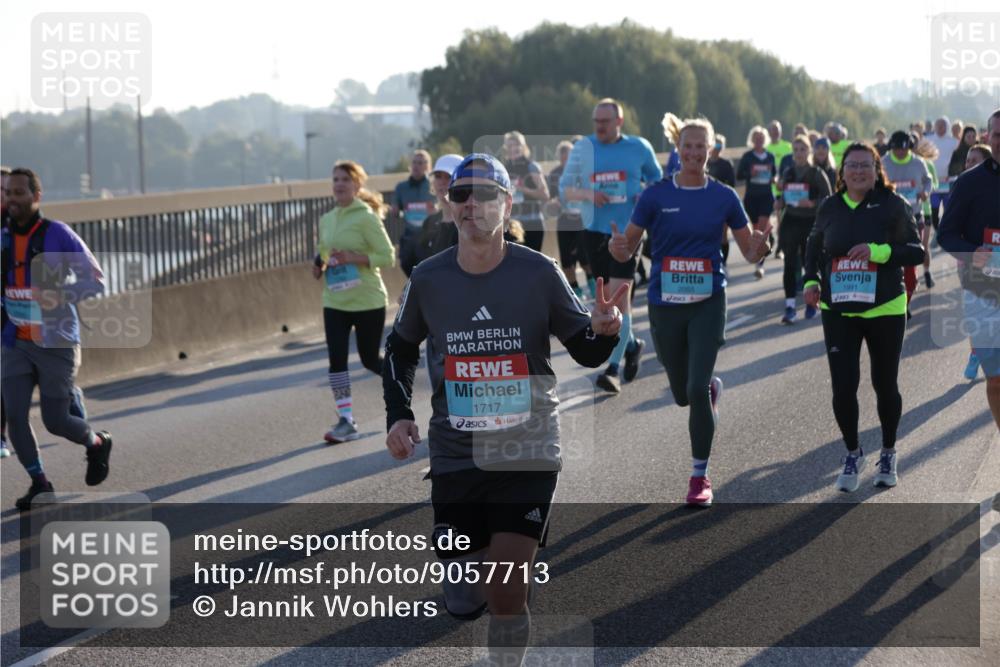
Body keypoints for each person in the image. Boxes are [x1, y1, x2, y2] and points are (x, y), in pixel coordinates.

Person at [382, 153, 625, 665]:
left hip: (528, 448)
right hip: (456, 452)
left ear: (506, 203)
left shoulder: (539, 273)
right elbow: (400, 348)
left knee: (504, 596)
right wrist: (398, 412)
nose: (471, 204)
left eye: (483, 194)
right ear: (451, 208)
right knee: (464, 597)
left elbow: (584, 347)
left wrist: (606, 331)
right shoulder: (429, 279)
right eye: (460, 195)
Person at [609, 117, 772, 506]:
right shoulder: (654, 195)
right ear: (678, 149)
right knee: (683, 393)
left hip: (708, 300)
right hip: (665, 305)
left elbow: (749, 251)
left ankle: (699, 476)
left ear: (712, 151)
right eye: (688, 146)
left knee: (695, 389)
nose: (695, 153)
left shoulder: (725, 197)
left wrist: (762, 247)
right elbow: (627, 247)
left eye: (702, 147)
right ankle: (706, 392)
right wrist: (618, 247)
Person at [803, 144, 924, 492]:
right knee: (843, 387)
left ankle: (888, 451)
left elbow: (916, 250)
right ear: (842, 171)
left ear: (876, 169)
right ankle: (853, 453)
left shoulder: (892, 204)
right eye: (852, 166)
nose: (859, 171)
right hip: (838, 309)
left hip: (885, 307)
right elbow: (813, 248)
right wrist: (811, 280)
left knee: (884, 384)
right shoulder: (830, 206)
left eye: (866, 166)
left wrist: (879, 251)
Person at [1, 168, 114, 510]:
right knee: (16, 416)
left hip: (56, 341)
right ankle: (40, 483)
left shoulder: (57, 234)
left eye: (19, 193)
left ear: (36, 197)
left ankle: (96, 443)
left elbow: (95, 279)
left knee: (56, 422)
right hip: (14, 342)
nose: (12, 199)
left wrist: (60, 294)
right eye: (8, 193)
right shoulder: (3, 239)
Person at [559, 98, 663, 394]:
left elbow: (658, 182)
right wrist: (588, 193)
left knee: (620, 299)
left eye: (605, 122)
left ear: (619, 122)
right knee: (604, 299)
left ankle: (612, 369)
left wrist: (643, 195)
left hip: (628, 231)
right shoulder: (583, 148)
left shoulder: (639, 147)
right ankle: (631, 345)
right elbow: (565, 191)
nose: (599, 127)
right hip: (593, 231)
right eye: (596, 121)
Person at [312, 160, 395, 443]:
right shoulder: (326, 219)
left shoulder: (367, 217)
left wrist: (354, 258)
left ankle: (400, 388)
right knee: (336, 360)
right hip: (335, 299)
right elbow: (325, 255)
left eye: (345, 180)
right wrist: (319, 266)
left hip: (367, 299)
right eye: (335, 179)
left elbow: (387, 256)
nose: (339, 184)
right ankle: (346, 420)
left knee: (370, 359)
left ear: (357, 185)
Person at [939, 109, 1000, 431]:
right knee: (996, 380)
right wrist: (970, 251)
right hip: (984, 292)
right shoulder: (969, 182)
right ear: (988, 138)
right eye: (998, 134)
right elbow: (945, 233)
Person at [774, 135, 832, 323]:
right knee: (789, 263)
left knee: (811, 265)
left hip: (811, 223)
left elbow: (829, 199)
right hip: (791, 221)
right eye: (796, 150)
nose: (799, 153)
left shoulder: (816, 173)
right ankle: (790, 305)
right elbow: (783, 197)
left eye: (802, 149)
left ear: (809, 151)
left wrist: (812, 203)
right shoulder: (788, 172)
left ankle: (811, 303)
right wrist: (780, 202)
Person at [882, 131, 933, 315]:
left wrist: (925, 193)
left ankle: (907, 302)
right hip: (889, 221)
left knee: (910, 265)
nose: (900, 153)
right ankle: (894, 300)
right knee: (890, 262)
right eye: (897, 149)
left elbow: (929, 182)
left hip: (913, 218)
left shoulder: (918, 163)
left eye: (904, 149)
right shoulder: (883, 162)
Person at [958, 143, 993, 380]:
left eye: (975, 160)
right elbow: (951, 226)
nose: (969, 164)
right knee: (976, 316)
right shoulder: (963, 186)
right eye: (968, 160)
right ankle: (975, 353)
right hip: (972, 264)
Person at [400, 154, 463, 275]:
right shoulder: (430, 222)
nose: (443, 182)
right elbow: (419, 264)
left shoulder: (471, 221)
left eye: (449, 177)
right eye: (438, 176)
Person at [547, 139, 594, 300]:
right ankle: (575, 289)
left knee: (585, 255)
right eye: (563, 157)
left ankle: (592, 283)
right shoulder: (555, 174)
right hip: (565, 218)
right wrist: (553, 202)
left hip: (582, 218)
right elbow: (552, 197)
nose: (567, 160)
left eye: (570, 157)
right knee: (566, 259)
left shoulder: (584, 171)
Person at [737, 125, 776, 279]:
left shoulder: (770, 156)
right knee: (755, 230)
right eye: (756, 138)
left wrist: (774, 179)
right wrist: (749, 173)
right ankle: (765, 244)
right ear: (752, 140)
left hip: (766, 195)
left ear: (764, 140)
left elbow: (774, 175)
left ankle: (759, 265)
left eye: (761, 138)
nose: (759, 141)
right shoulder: (747, 156)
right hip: (752, 196)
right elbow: (739, 175)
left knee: (760, 228)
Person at [502, 131, 549, 253]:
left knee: (532, 266)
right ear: (506, 149)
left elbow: (545, 195)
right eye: (510, 146)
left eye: (517, 145)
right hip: (512, 224)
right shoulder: (503, 169)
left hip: (532, 222)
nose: (513, 148)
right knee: (513, 265)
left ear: (523, 147)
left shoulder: (531, 166)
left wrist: (523, 189)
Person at [392, 150, 436, 278]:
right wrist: (395, 211)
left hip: (429, 235)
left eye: (421, 163)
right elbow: (398, 212)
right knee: (405, 262)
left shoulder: (433, 185)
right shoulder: (401, 187)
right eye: (414, 162)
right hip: (409, 235)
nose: (417, 166)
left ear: (428, 166)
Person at [708, 134, 736, 263]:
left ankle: (723, 262)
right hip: (706, 203)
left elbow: (731, 184)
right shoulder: (703, 162)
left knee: (723, 235)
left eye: (719, 145)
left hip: (722, 202)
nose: (716, 147)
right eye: (715, 144)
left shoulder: (726, 164)